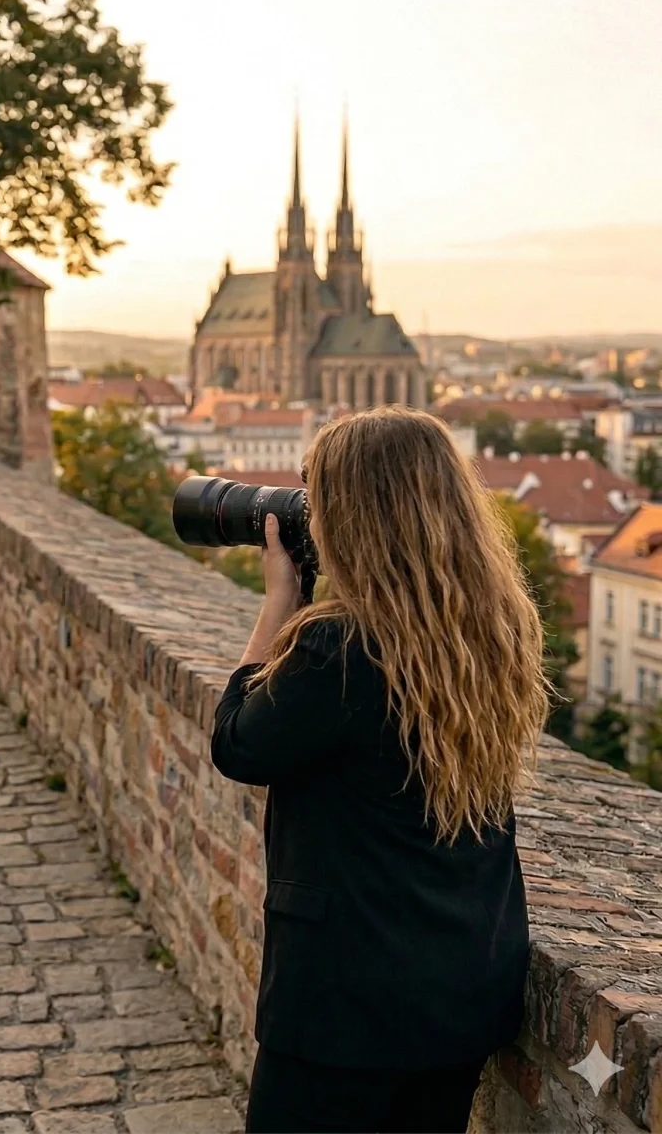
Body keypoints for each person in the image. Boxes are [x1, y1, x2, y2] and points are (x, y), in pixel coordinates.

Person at [212, 406, 547, 1134]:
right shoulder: (496, 626)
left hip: (344, 1004)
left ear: (354, 515)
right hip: (460, 986)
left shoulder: (339, 649)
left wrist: (279, 601)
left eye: (319, 499)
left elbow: (238, 743)